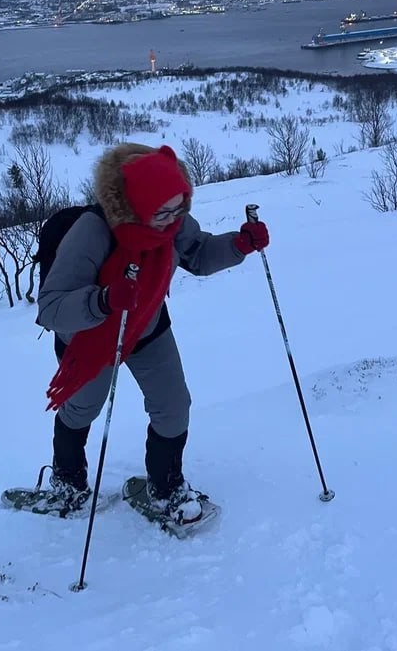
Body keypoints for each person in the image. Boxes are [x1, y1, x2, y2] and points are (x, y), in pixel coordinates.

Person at [37, 143, 269, 524]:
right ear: (137, 207)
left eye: (181, 208)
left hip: (147, 327)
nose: (173, 219)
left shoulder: (172, 224)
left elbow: (198, 252)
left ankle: (165, 488)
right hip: (90, 340)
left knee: (174, 406)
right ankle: (67, 482)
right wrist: (103, 301)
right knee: (82, 409)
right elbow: (51, 308)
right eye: (163, 212)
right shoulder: (91, 233)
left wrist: (239, 245)